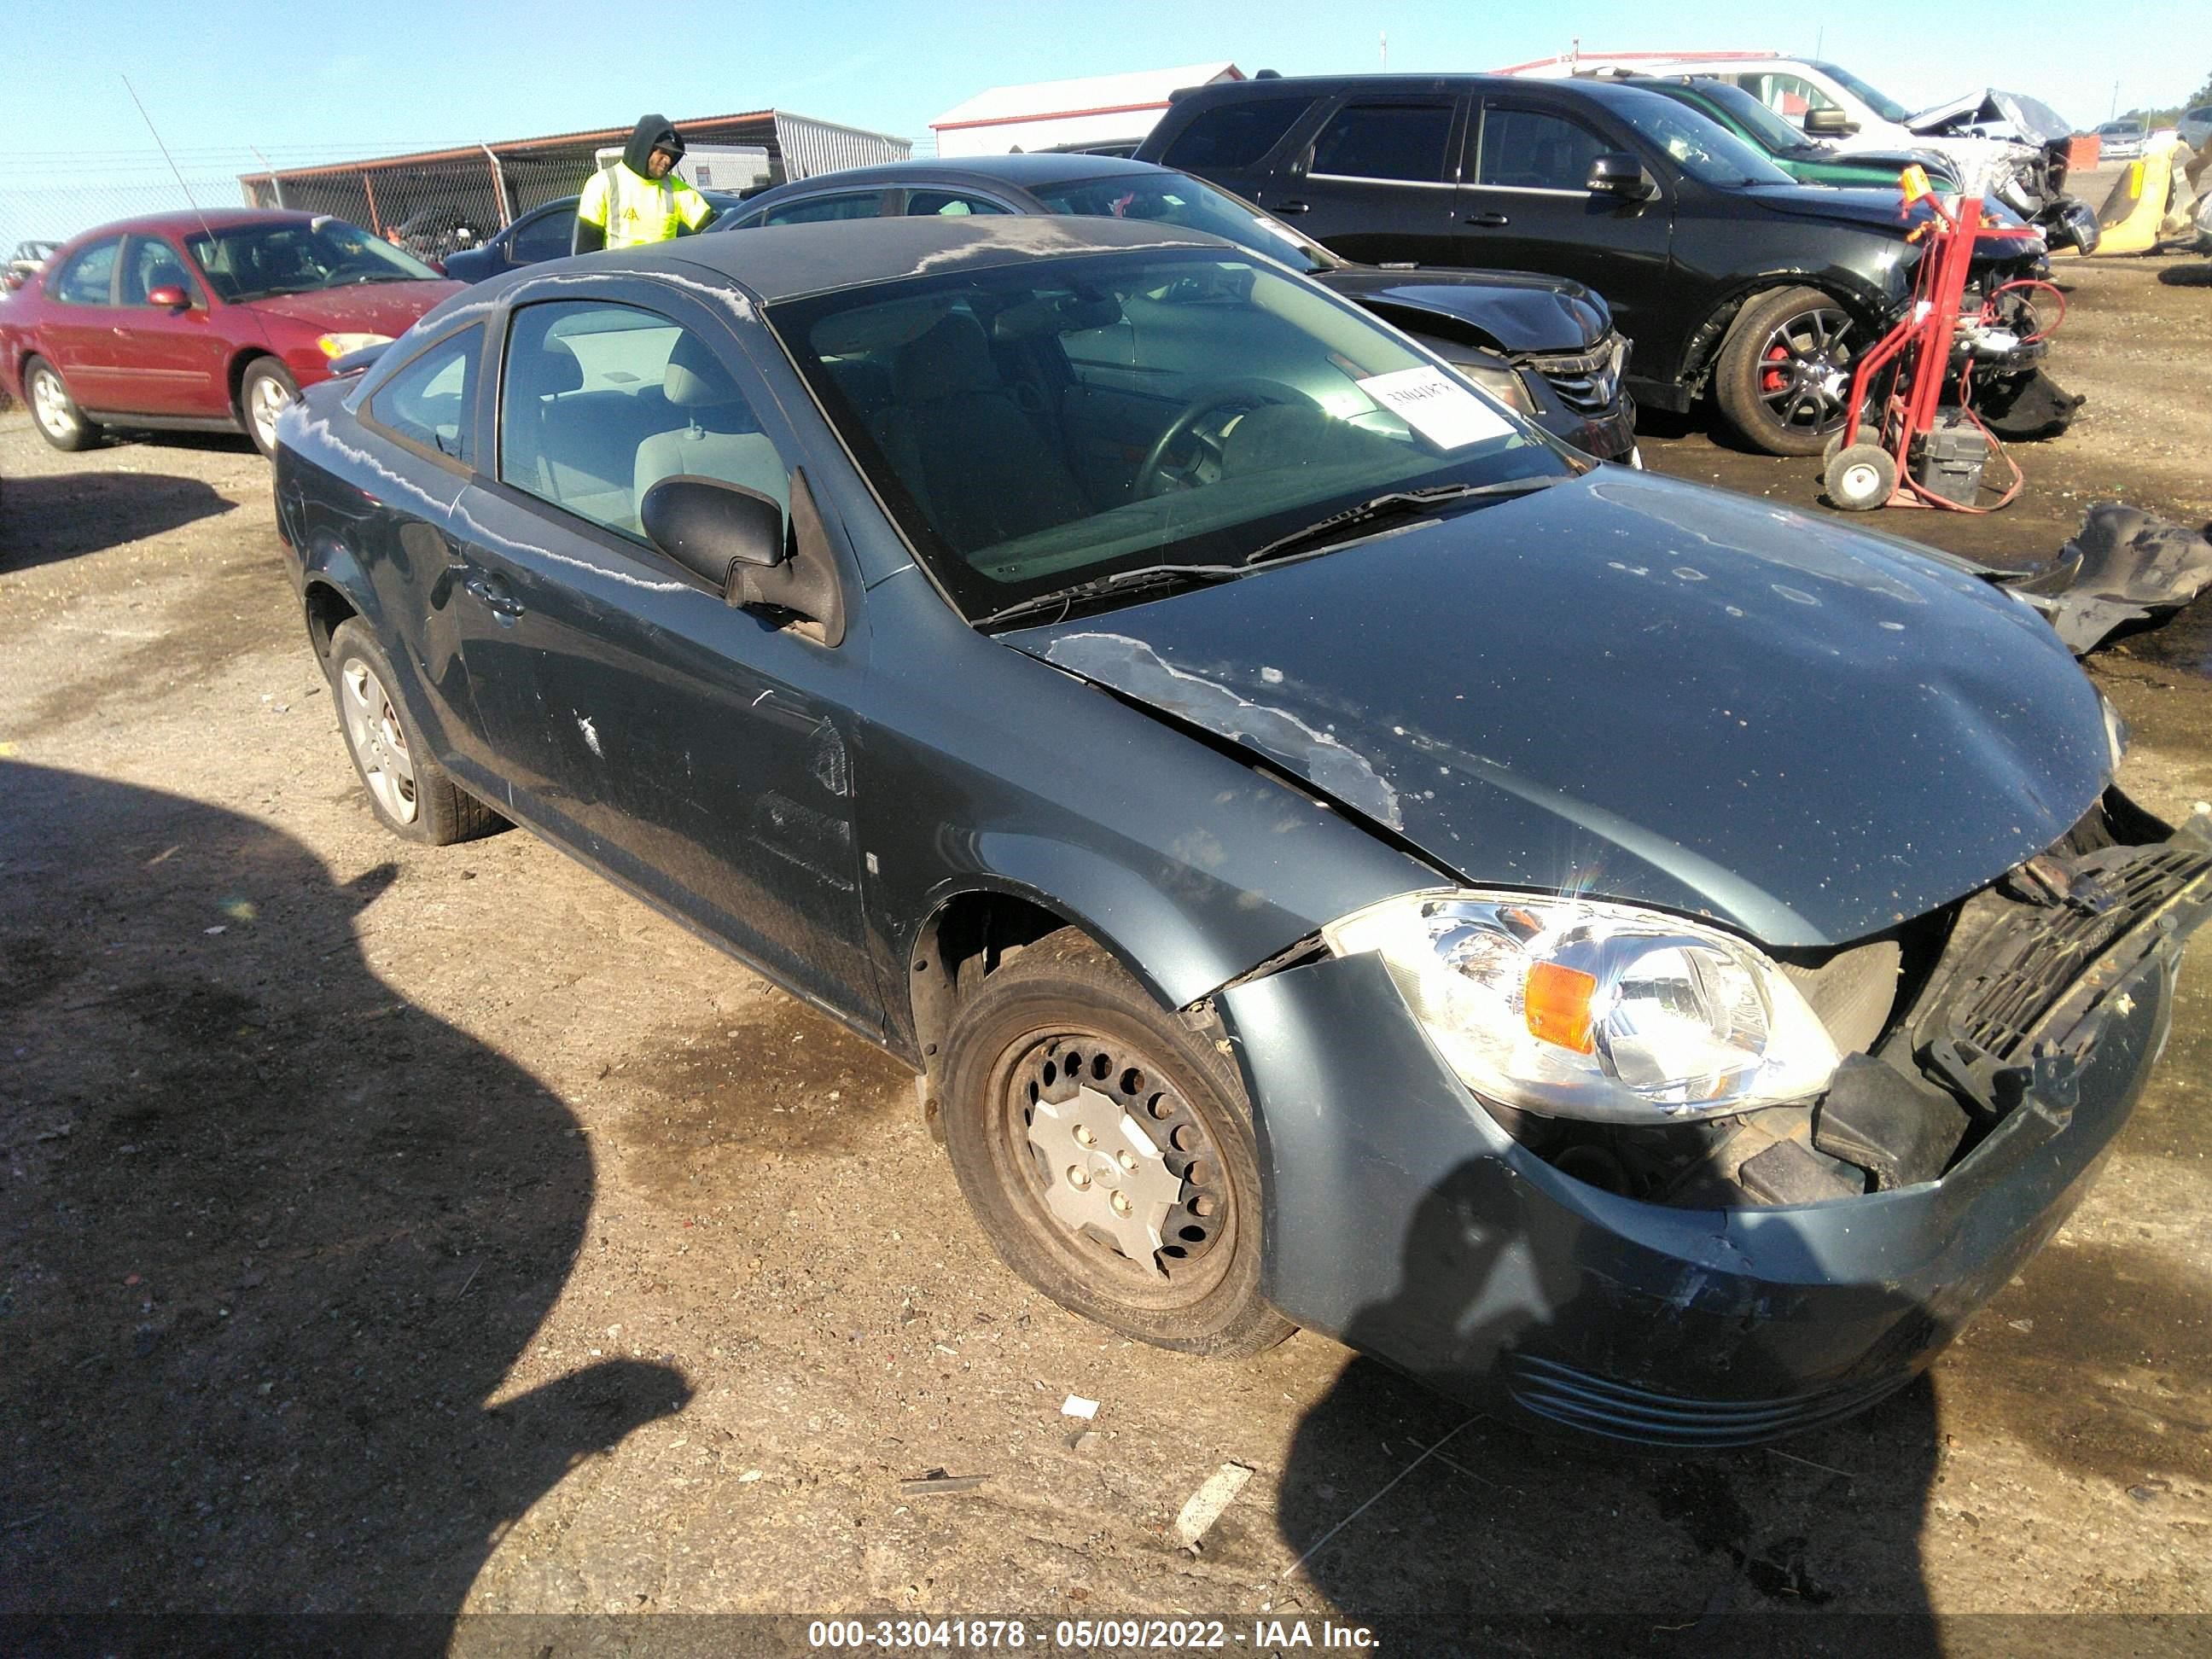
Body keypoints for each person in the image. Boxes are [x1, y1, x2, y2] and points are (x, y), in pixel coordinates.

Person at [573, 114, 718, 253]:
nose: (667, 160)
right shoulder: (602, 183)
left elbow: (715, 227)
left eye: (672, 155)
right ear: (644, 148)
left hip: (661, 275)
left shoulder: (677, 189)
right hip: (620, 273)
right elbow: (587, 249)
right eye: (663, 152)